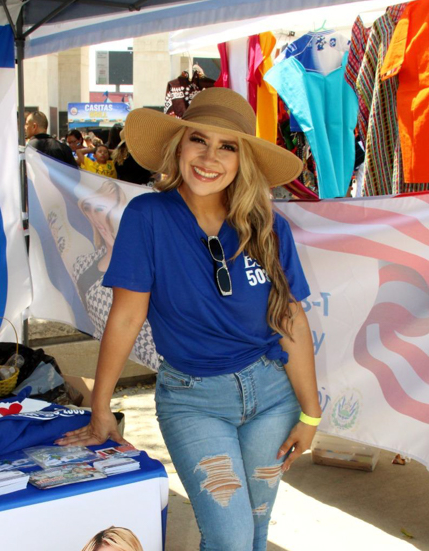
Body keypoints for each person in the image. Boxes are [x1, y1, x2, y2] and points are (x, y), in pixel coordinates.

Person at [57, 88, 321, 551]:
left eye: (228, 146)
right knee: (231, 539)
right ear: (178, 146)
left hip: (273, 397)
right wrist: (101, 406)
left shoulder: (267, 225)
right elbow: (125, 316)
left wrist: (311, 414)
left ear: (244, 160)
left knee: (256, 532)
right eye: (198, 140)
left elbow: (290, 318)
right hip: (194, 400)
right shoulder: (148, 216)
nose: (209, 157)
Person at [73, 181, 159, 371]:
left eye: (104, 210)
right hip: (111, 357)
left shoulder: (150, 260)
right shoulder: (83, 265)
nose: (99, 218)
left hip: (160, 361)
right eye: (91, 209)